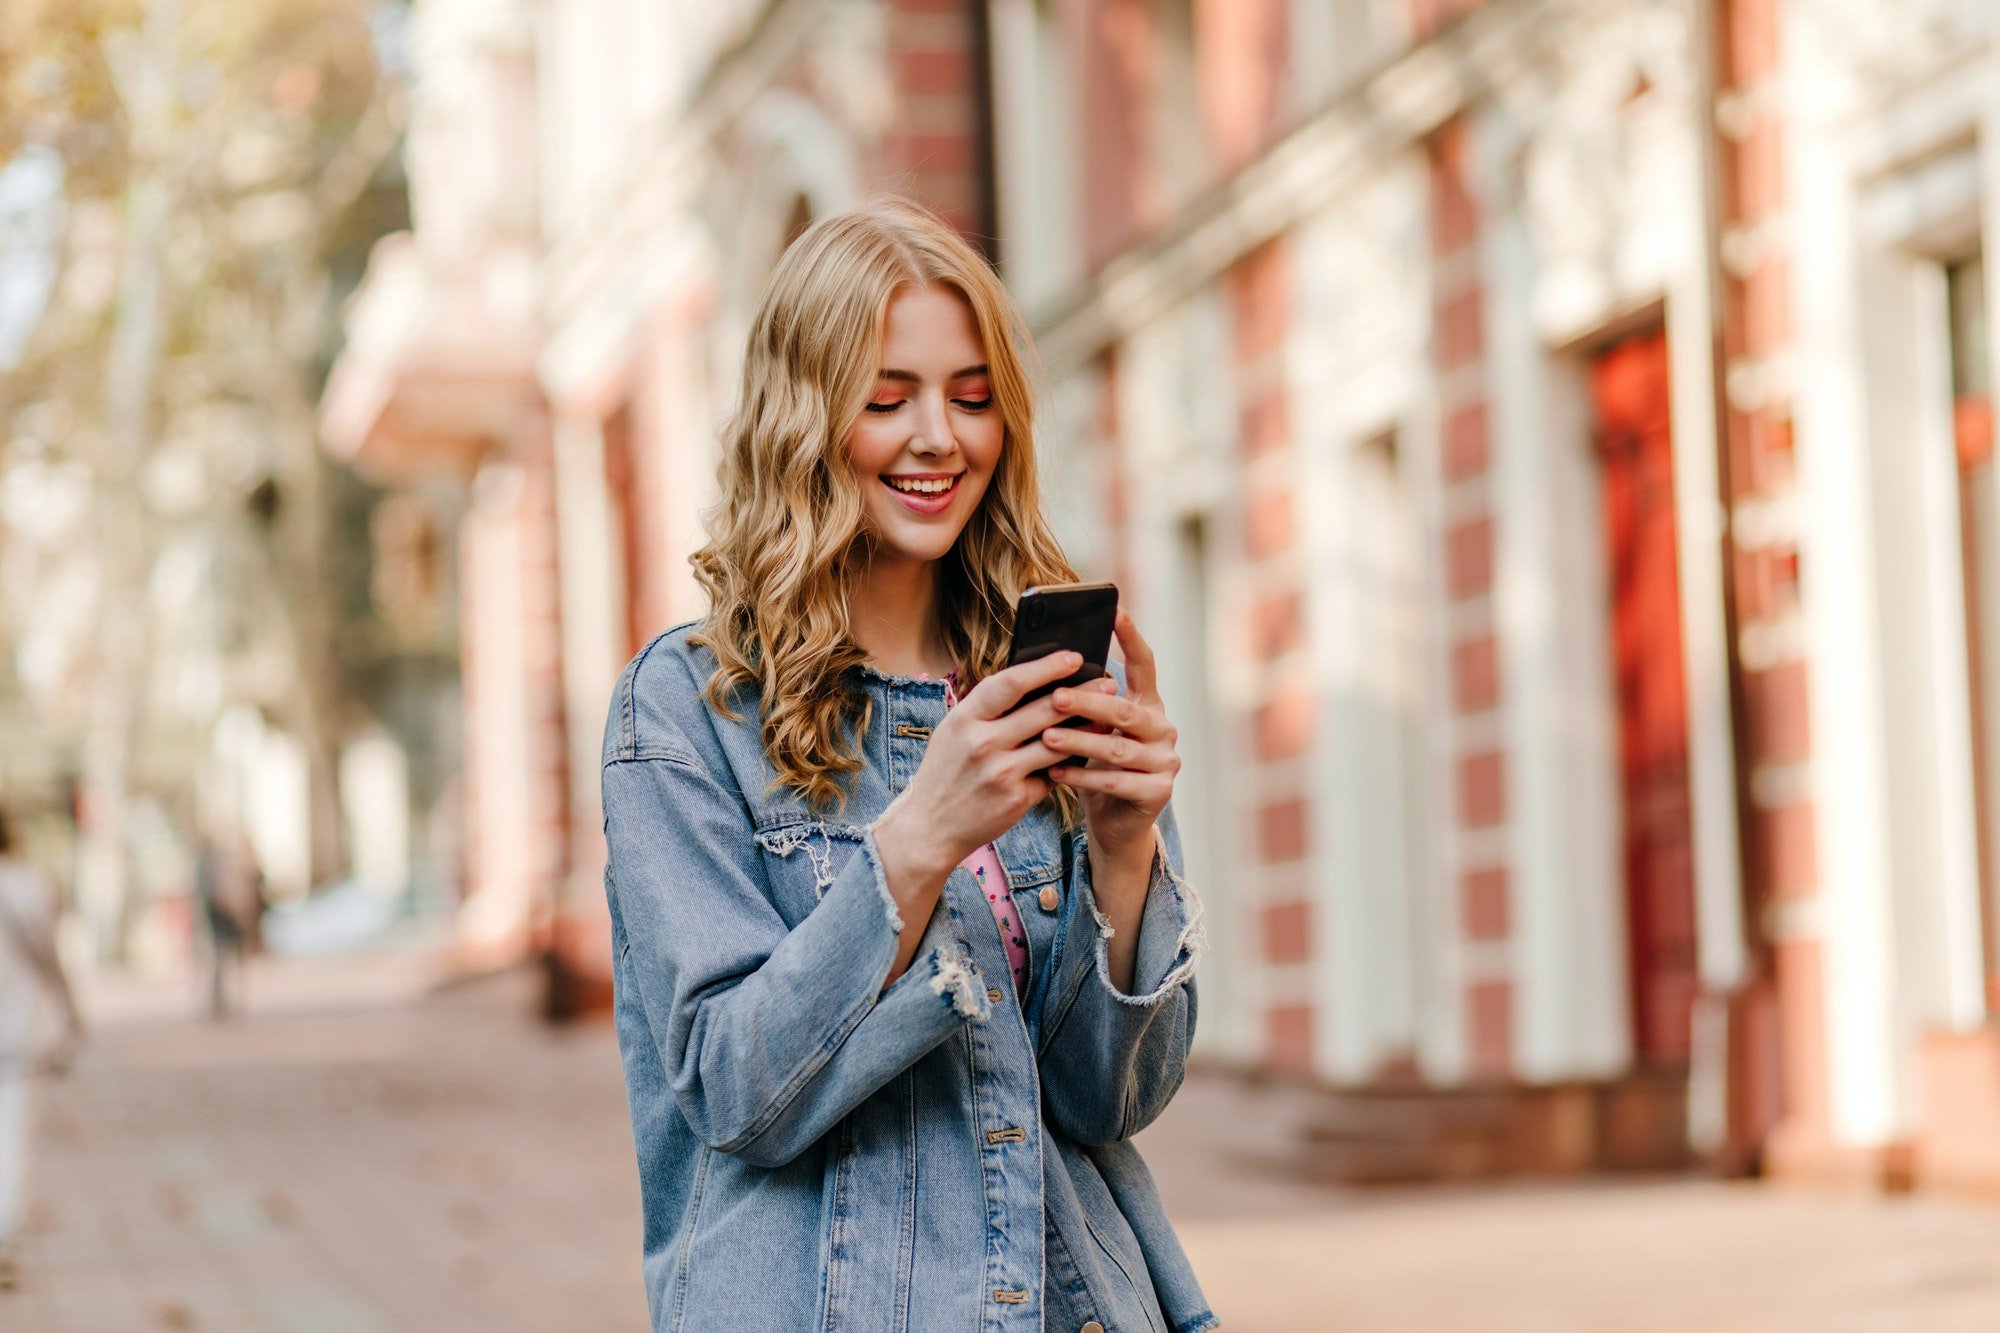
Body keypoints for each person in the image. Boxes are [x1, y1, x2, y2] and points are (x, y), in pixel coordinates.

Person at [600, 198, 1215, 1333]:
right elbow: (735, 1090)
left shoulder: (1041, 680)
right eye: (887, 399)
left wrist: (1126, 849)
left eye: (971, 398)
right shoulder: (688, 711)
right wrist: (918, 838)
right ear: (804, 416)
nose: (939, 436)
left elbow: (1111, 1096)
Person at [0, 809, 84, 1292]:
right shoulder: (28, 887)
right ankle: (5, 1239)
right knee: (13, 1140)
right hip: (22, 1032)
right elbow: (52, 960)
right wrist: (71, 1013)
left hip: (21, 1034)